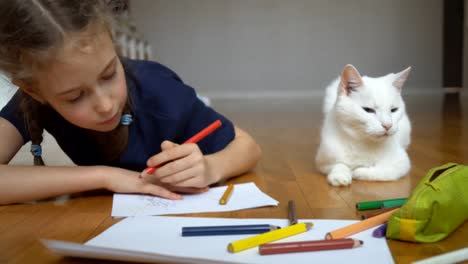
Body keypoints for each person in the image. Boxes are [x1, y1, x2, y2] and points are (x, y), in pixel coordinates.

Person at [0, 0, 261, 205]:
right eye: (75, 97)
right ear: (35, 92)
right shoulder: (33, 101)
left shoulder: (160, 91)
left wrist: (210, 167)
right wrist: (105, 177)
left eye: (109, 74)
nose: (104, 105)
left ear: (114, 46)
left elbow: (248, 147)